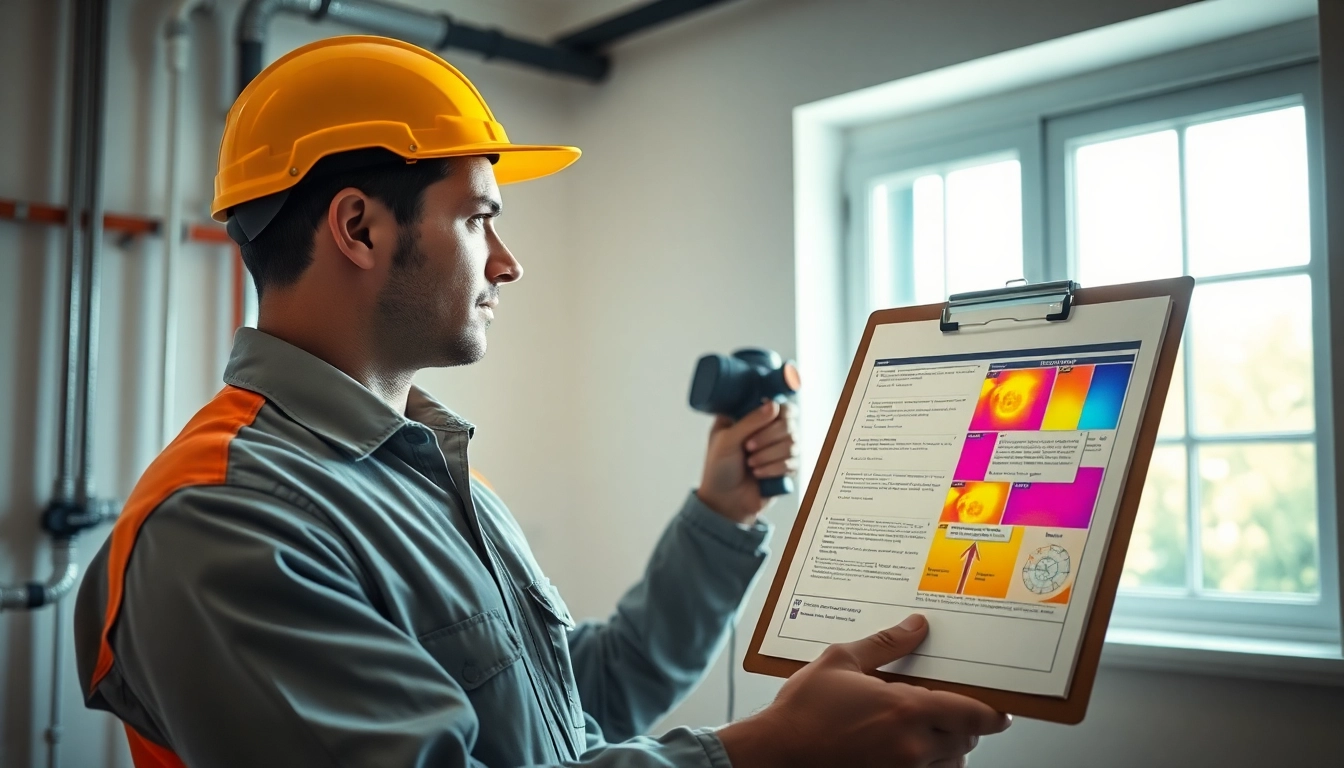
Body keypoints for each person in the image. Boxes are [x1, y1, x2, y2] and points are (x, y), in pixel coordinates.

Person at [73, 35, 1009, 768]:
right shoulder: (224, 524)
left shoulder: (418, 473)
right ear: (357, 226)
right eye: (480, 218)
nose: (509, 263)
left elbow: (574, 707)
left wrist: (721, 517)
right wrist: (765, 755)